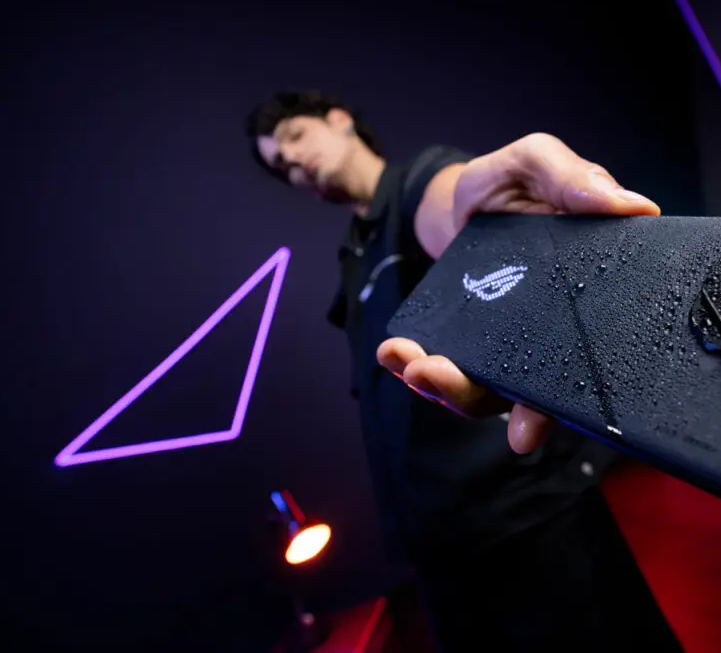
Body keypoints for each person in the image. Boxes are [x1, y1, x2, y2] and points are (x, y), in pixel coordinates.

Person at [245, 90, 682, 652]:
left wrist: (476, 214)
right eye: (281, 166)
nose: (295, 163)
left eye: (295, 138)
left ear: (340, 119)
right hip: (436, 544)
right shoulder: (354, 254)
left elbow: (450, 202)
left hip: (522, 518)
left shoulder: (412, 186)